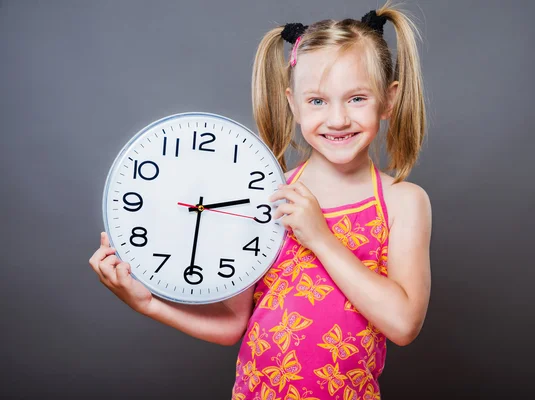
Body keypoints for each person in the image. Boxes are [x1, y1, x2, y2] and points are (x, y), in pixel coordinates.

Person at [89, 2, 432, 398]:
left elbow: (404, 324)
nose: (337, 119)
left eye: (356, 98)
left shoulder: (404, 202)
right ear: (292, 103)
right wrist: (148, 304)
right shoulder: (263, 196)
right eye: (317, 101)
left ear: (388, 100)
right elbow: (233, 326)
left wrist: (320, 237)